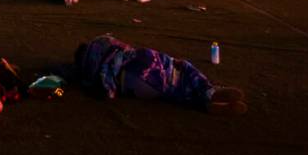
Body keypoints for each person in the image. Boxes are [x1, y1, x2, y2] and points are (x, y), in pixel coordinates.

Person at [75, 35, 246, 115]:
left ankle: (203, 102)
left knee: (172, 89)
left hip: (130, 83)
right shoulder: (103, 44)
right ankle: (209, 91)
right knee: (183, 68)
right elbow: (124, 46)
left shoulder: (91, 72)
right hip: (142, 62)